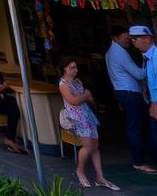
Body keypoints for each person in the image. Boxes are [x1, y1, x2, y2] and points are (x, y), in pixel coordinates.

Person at [59, 57, 119, 190]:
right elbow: (72, 101)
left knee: (95, 145)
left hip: (87, 115)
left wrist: (89, 97)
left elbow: (89, 99)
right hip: (77, 117)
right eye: (72, 68)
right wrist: (86, 95)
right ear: (65, 68)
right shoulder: (63, 84)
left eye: (76, 67)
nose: (75, 70)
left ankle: (100, 176)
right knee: (87, 145)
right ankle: (80, 170)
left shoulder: (78, 81)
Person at [105, 25, 156, 172]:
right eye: (128, 38)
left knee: (141, 127)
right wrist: (147, 63)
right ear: (115, 37)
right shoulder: (118, 52)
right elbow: (140, 75)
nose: (130, 41)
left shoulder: (112, 51)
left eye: (133, 38)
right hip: (130, 93)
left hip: (125, 92)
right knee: (137, 128)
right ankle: (138, 161)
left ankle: (145, 158)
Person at [129, 25, 157, 158]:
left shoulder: (155, 56)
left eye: (135, 38)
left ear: (147, 38)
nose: (133, 41)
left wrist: (155, 102)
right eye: (131, 38)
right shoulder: (146, 57)